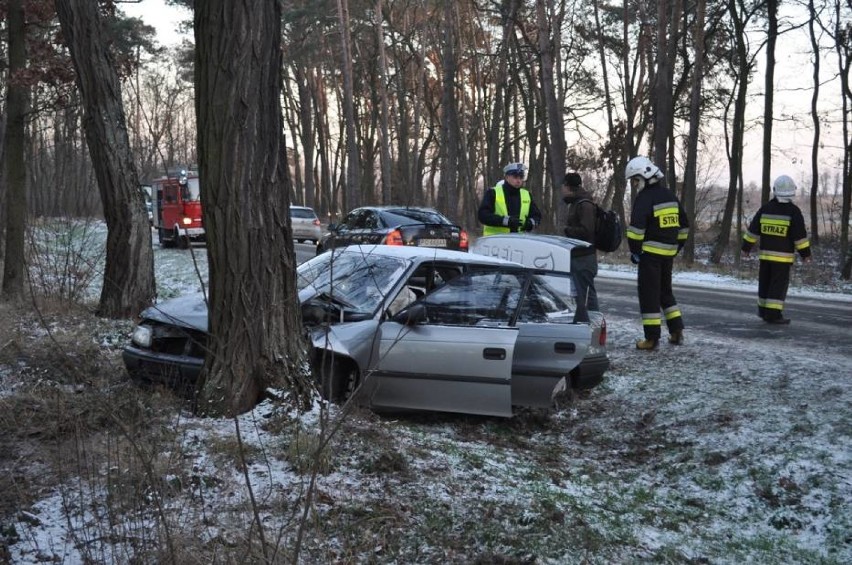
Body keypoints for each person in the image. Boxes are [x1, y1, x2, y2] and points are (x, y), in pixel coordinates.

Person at [625, 156, 689, 350]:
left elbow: (636, 230)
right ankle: (677, 331)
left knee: (649, 295)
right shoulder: (670, 195)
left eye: (636, 180)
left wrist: (635, 252)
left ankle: (651, 339)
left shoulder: (644, 198)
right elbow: (684, 226)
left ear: (644, 175)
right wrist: (676, 247)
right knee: (665, 293)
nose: (635, 184)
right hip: (668, 255)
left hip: (649, 256)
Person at [741, 175, 811, 324]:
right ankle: (773, 315)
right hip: (782, 258)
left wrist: (746, 248)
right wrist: (805, 254)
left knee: (765, 283)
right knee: (778, 285)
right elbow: (799, 236)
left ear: (774, 190)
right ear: (792, 191)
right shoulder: (793, 212)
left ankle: (763, 311)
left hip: (765, 256)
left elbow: (753, 230)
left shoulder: (765, 208)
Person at [561, 172, 599, 311]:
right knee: (579, 294)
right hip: (578, 256)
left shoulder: (584, 204)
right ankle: (583, 321)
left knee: (588, 295)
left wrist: (568, 230)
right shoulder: (575, 203)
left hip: (585, 257)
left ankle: (594, 326)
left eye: (563, 186)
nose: (562, 190)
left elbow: (587, 231)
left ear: (568, 186)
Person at [478, 162, 542, 235]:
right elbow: (483, 215)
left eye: (521, 177)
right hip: (495, 240)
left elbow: (537, 216)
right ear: (507, 177)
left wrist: (530, 223)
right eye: (515, 177)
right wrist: (505, 221)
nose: (518, 180)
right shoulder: (493, 193)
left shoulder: (526, 195)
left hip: (519, 240)